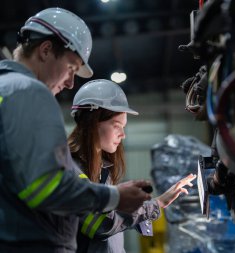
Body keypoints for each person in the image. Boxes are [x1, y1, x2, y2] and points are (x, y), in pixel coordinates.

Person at [0, 7, 153, 253]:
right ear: (46, 50)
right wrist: (115, 197)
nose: (71, 83)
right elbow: (46, 188)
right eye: (71, 68)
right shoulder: (29, 91)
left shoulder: (5, 89)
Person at [68, 79, 197, 253]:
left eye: (124, 127)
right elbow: (101, 224)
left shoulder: (102, 171)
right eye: (117, 126)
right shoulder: (71, 169)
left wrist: (139, 206)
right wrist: (156, 204)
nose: (123, 135)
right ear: (92, 122)